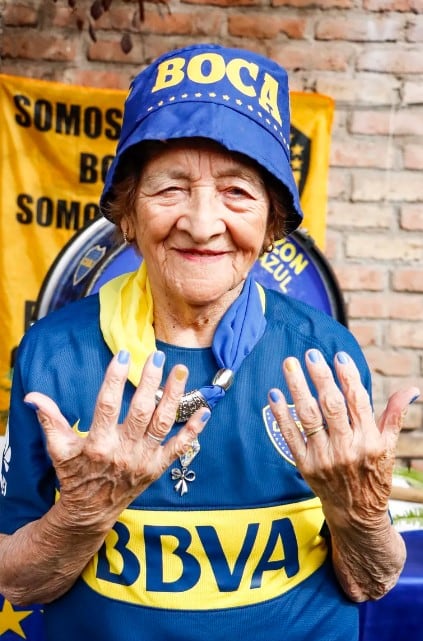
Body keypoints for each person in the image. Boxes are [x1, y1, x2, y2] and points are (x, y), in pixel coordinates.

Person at [0, 43, 419, 641]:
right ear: (127, 214)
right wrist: (82, 514)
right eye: (170, 189)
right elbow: (19, 584)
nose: (201, 224)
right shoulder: (53, 355)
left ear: (273, 222)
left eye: (237, 192)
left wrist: (357, 512)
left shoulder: (323, 356)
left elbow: (368, 581)